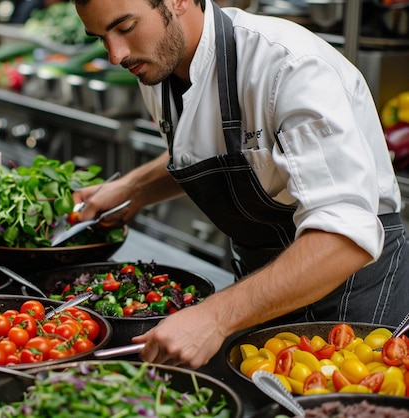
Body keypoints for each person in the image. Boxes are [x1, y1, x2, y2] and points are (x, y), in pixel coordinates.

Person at [71, 0, 409, 369]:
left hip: (349, 304)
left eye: (125, 27)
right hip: (261, 296)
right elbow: (222, 149)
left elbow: (345, 238)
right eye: (102, 37)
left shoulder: (290, 66)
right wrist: (133, 188)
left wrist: (215, 317)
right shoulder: (155, 64)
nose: (116, 54)